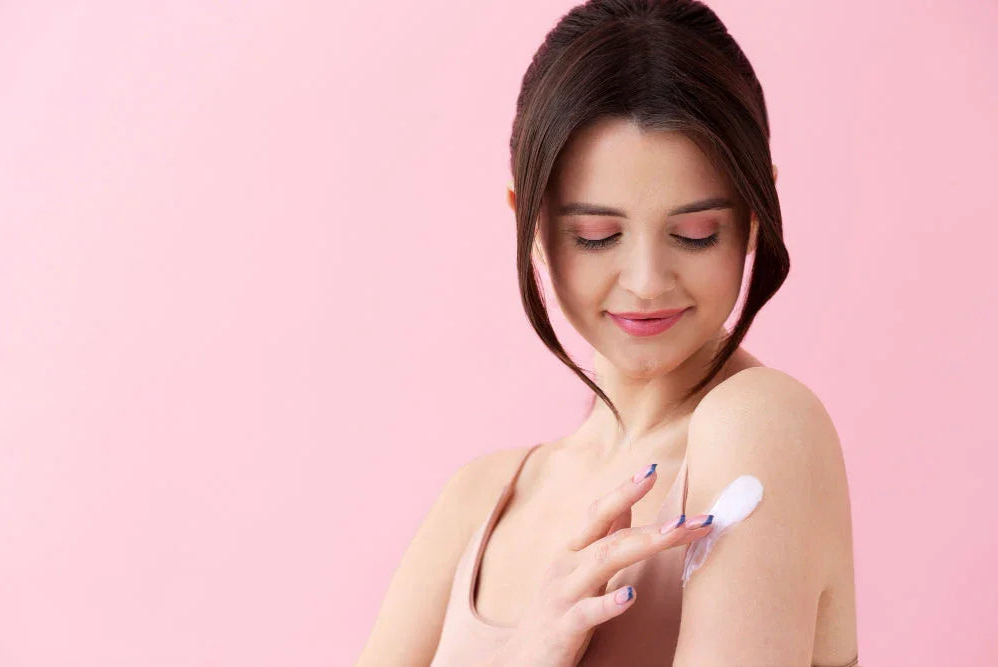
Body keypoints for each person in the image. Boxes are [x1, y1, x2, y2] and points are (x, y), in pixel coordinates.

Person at [358, 0, 859, 664]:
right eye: (598, 236)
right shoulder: (478, 499)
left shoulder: (758, 426)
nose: (647, 280)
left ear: (754, 214)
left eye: (695, 232)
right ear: (530, 224)